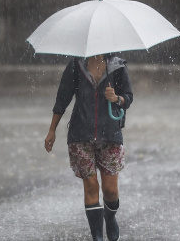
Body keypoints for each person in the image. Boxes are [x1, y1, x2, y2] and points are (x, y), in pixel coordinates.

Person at [44, 53, 133, 241]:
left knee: (110, 191)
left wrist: (117, 98)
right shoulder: (76, 67)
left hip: (110, 134)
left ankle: (109, 218)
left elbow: (128, 97)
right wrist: (52, 130)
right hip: (80, 134)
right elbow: (62, 99)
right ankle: (97, 237)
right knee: (91, 185)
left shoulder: (117, 66)